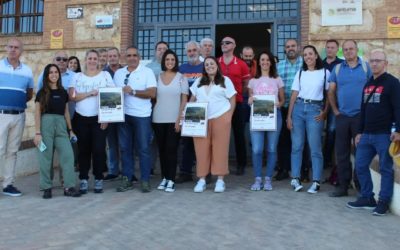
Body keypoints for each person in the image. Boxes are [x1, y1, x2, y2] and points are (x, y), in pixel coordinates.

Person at [347, 49, 400, 215]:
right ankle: (368, 197)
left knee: (385, 168)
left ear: (386, 63)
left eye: (378, 60)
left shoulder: (392, 83)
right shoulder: (369, 82)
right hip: (367, 134)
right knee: (361, 165)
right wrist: (359, 132)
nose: (375, 63)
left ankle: (383, 201)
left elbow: (399, 108)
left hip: (384, 134)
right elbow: (363, 109)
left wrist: (398, 130)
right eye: (372, 61)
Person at [328, 40, 372, 197]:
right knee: (341, 152)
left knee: (362, 151)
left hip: (361, 116)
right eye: (345, 49)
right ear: (342, 52)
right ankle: (343, 186)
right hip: (343, 117)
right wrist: (335, 110)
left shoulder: (367, 67)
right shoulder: (338, 69)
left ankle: (360, 186)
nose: (348, 51)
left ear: (356, 50)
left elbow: (373, 90)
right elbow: (331, 91)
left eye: (351, 49)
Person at [69, 49, 114, 194]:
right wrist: (90, 93)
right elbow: (72, 96)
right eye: (90, 58)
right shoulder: (77, 77)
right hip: (81, 118)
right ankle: (83, 179)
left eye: (95, 58)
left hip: (99, 119)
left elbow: (112, 96)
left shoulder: (105, 76)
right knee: (83, 150)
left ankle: (98, 178)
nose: (93, 61)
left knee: (99, 150)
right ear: (86, 60)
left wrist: (106, 117)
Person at [287, 45, 330, 193]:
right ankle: (295, 178)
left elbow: (329, 95)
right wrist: (289, 116)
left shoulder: (325, 73)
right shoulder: (300, 73)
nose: (308, 57)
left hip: (314, 110)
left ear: (316, 55)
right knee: (297, 146)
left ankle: (316, 181)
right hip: (298, 109)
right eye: (305, 55)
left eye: (310, 54)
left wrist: (325, 112)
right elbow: (293, 95)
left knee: (315, 147)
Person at [34, 64, 81, 199]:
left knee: (68, 155)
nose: (54, 74)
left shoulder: (63, 92)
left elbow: (66, 112)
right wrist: (37, 133)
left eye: (56, 72)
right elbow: (37, 113)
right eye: (51, 72)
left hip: (61, 125)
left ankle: (68, 186)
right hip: (45, 124)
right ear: (47, 75)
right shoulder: (42, 92)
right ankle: (46, 187)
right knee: (45, 157)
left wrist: (70, 130)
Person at [114, 46, 157, 193]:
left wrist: (132, 91)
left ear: (139, 57)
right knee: (125, 149)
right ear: (125, 57)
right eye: (129, 55)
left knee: (144, 149)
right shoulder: (119, 73)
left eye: (134, 55)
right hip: (123, 116)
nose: (132, 58)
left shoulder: (147, 72)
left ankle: (145, 180)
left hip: (142, 116)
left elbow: (152, 93)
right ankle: (128, 179)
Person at [190, 56, 236, 193]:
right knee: (201, 150)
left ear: (217, 65)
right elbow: (192, 98)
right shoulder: (198, 81)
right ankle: (202, 180)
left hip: (221, 117)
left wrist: (229, 116)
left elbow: (233, 99)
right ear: (204, 67)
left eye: (212, 63)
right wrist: (188, 113)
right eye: (207, 64)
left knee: (220, 149)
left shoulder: (225, 80)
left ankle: (220, 180)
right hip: (200, 120)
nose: (209, 66)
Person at [0, 38, 34, 197]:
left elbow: (28, 94)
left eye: (16, 47)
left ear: (21, 51)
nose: (13, 50)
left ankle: (8, 185)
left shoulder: (27, 71)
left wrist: (15, 101)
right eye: (10, 47)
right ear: (6, 48)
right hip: (1, 116)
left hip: (19, 116)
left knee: (12, 151)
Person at [153, 49, 189, 192]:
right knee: (161, 150)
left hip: (174, 119)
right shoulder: (157, 77)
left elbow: (184, 100)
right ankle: (164, 178)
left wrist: (179, 119)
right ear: (163, 61)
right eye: (167, 60)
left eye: (172, 60)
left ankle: (172, 179)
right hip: (158, 118)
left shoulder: (181, 77)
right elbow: (153, 98)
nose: (170, 62)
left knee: (171, 150)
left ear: (176, 62)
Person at [248, 51, 285, 191]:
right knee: (257, 149)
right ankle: (258, 178)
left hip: (274, 116)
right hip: (257, 118)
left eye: (267, 60)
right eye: (262, 60)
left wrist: (279, 104)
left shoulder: (277, 79)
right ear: (258, 62)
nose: (265, 62)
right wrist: (250, 100)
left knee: (271, 148)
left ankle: (268, 178)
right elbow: (249, 100)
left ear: (271, 62)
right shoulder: (252, 81)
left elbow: (282, 100)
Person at [218, 36, 251, 175]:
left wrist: (237, 95)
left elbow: (246, 84)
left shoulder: (242, 64)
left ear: (234, 45)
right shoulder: (216, 62)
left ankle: (241, 164)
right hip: (219, 105)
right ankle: (219, 165)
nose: (224, 44)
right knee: (219, 136)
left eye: (227, 42)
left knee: (238, 135)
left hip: (237, 104)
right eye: (222, 43)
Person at [176, 41, 204, 183]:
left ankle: (204, 173)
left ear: (199, 51)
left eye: (194, 50)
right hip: (186, 109)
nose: (192, 53)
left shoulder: (205, 66)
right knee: (186, 142)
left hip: (203, 110)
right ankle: (185, 172)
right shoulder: (181, 68)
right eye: (189, 51)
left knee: (202, 142)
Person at [276, 39, 304, 181]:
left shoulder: (305, 64)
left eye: (293, 46)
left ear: (298, 47)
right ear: (285, 49)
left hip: (300, 108)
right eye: (287, 47)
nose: (290, 48)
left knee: (300, 140)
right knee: (283, 140)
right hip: (283, 107)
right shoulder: (278, 66)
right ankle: (284, 169)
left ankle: (302, 171)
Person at [322, 39, 344, 171]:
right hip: (319, 102)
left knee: (331, 130)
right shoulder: (320, 64)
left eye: (332, 47)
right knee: (318, 133)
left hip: (335, 102)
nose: (330, 49)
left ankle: (328, 161)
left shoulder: (342, 64)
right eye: (328, 47)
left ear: (337, 49)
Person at [103, 47, 123, 181]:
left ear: (119, 56)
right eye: (110, 56)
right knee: (111, 143)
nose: (112, 58)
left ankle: (127, 170)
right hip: (109, 112)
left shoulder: (125, 71)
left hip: (123, 113)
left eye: (114, 56)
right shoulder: (103, 73)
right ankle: (113, 170)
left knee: (125, 143)